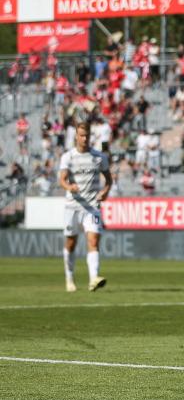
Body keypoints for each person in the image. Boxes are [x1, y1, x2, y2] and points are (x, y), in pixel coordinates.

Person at [58, 122, 112, 292]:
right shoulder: (68, 157)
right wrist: (69, 187)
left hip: (92, 207)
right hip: (72, 207)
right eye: (82, 135)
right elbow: (62, 179)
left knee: (93, 240)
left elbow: (109, 180)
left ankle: (93, 279)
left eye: (87, 135)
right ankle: (69, 277)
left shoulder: (99, 157)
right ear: (76, 136)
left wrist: (105, 191)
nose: (85, 138)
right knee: (71, 242)